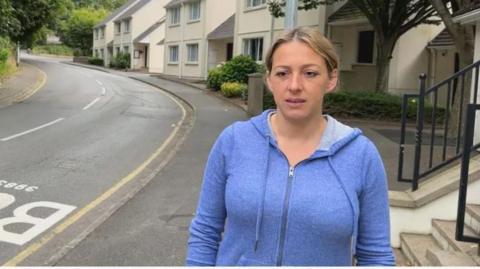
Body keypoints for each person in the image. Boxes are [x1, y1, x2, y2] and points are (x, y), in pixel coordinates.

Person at [186, 27, 395, 266]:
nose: (294, 85)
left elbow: (376, 255)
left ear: (331, 79)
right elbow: (205, 233)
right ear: (269, 80)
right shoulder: (233, 141)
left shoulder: (361, 155)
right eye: (283, 73)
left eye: (310, 73)